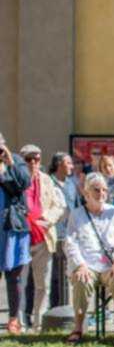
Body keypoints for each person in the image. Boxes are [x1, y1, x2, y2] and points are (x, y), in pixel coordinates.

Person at [64, 173, 114, 346]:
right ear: (86, 193)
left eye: (104, 190)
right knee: (81, 278)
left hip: (109, 266)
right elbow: (71, 244)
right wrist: (80, 265)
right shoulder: (76, 214)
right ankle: (78, 328)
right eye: (96, 190)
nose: (101, 193)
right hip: (87, 265)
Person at [21, 145, 65, 331]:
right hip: (21, 238)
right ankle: (20, 322)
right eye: (29, 159)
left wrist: (47, 220)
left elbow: (59, 206)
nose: (33, 163)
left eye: (36, 159)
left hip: (43, 237)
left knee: (42, 284)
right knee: (19, 284)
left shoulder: (47, 180)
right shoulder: (15, 179)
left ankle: (39, 323)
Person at [0, 140, 31, 334]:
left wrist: (9, 162)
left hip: (11, 226)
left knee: (13, 276)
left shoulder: (16, 161)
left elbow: (24, 183)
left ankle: (13, 319)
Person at [48, 152, 81, 307]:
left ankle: (66, 306)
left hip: (69, 234)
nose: (72, 166)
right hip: (53, 234)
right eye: (69, 163)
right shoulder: (49, 182)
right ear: (59, 164)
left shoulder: (71, 184)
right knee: (53, 273)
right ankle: (54, 307)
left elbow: (77, 208)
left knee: (67, 272)